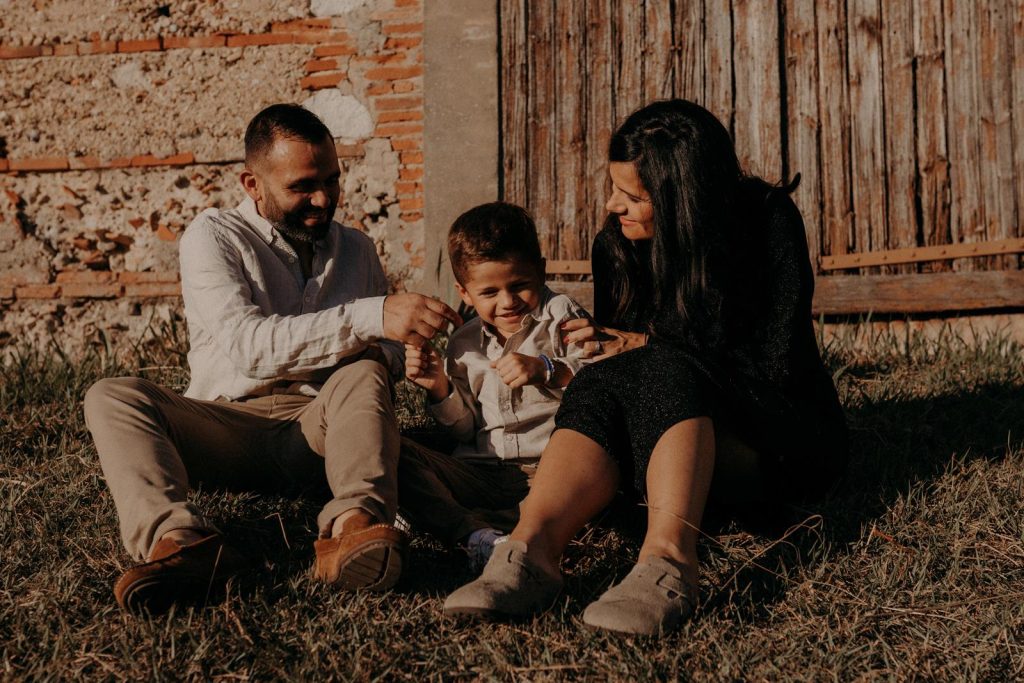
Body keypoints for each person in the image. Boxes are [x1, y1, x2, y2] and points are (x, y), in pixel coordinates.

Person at [443, 99, 848, 636]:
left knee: (662, 364)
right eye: (614, 188)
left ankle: (668, 562)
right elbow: (623, 378)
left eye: (632, 195)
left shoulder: (766, 222)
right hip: (667, 446)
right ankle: (527, 552)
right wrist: (606, 353)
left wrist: (650, 342)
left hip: (772, 437)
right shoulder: (617, 244)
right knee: (610, 375)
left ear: (684, 197)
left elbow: (778, 364)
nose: (613, 205)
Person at [83, 103, 461, 613]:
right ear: (252, 184)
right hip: (227, 425)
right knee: (111, 396)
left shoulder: (358, 249)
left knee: (365, 370)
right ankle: (181, 545)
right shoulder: (213, 237)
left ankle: (353, 533)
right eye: (302, 186)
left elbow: (387, 350)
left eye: (332, 179)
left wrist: (396, 352)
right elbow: (249, 347)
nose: (323, 199)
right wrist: (368, 320)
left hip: (325, 433)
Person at [398, 202, 591, 571]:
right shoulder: (463, 343)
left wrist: (547, 369)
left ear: (541, 270)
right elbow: (465, 428)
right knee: (392, 450)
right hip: (482, 471)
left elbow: (601, 380)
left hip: (548, 472)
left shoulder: (562, 316)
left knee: (572, 498)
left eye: (519, 285)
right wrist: (438, 388)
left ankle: (447, 516)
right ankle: (475, 534)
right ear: (465, 293)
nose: (507, 302)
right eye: (489, 292)